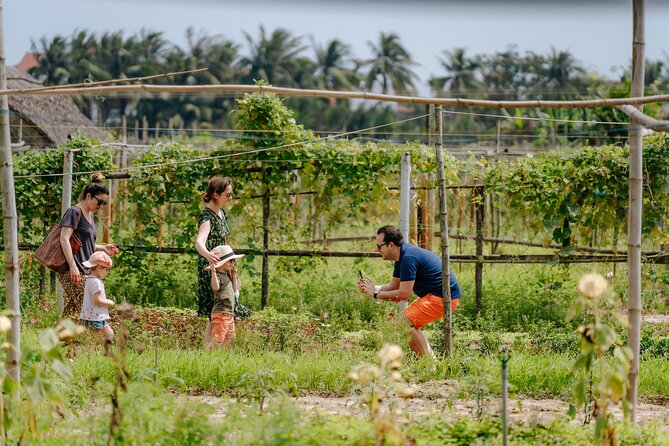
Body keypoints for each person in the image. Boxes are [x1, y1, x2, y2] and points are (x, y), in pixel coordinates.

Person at [357, 225, 462, 357]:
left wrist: (375, 294)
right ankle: (431, 362)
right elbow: (394, 286)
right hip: (435, 296)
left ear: (390, 245)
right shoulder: (402, 256)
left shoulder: (408, 258)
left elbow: (404, 294)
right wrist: (371, 288)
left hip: (444, 298)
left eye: (379, 246)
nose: (377, 250)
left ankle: (429, 365)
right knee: (404, 324)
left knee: (402, 324)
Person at [58, 174, 119, 319]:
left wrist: (103, 248)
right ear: (89, 196)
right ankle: (103, 338)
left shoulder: (90, 214)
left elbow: (84, 243)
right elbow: (64, 239)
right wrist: (73, 267)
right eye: (100, 202)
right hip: (71, 269)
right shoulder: (73, 212)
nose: (101, 206)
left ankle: (61, 337)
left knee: (75, 308)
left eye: (104, 204)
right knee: (90, 308)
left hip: (84, 268)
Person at [205, 245, 244, 350]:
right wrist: (213, 272)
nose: (233, 263)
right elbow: (215, 287)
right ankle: (211, 355)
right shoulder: (218, 275)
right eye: (230, 261)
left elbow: (235, 290)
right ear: (221, 263)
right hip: (221, 312)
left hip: (229, 313)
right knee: (218, 337)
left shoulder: (227, 275)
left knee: (230, 338)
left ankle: (227, 358)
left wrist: (234, 277)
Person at [80, 251, 115, 342]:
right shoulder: (96, 282)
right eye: (107, 270)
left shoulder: (89, 280)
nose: (107, 272)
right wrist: (110, 302)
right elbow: (97, 300)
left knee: (109, 333)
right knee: (94, 340)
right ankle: (92, 354)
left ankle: (105, 351)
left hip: (96, 315)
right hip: (95, 316)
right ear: (99, 268)